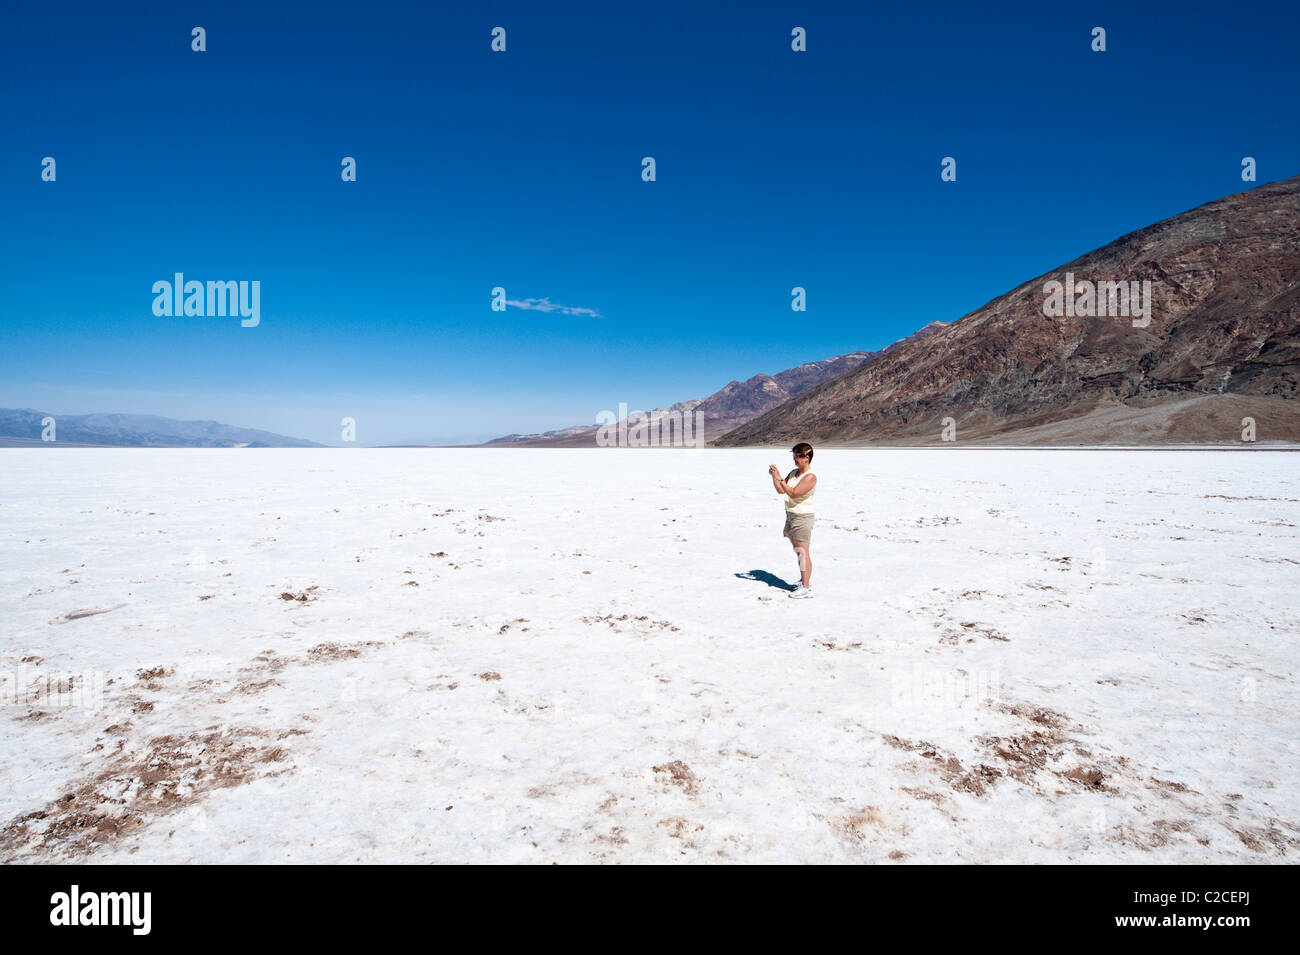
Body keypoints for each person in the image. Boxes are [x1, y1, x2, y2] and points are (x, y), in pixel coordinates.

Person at [768, 442, 817, 598]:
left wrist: (780, 478)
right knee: (798, 552)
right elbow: (781, 490)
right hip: (791, 515)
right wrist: (775, 477)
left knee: (803, 553)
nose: (795, 459)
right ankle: (803, 580)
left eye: (797, 456)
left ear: (806, 458)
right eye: (794, 455)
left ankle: (806, 587)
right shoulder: (794, 472)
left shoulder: (810, 477)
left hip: (802, 517)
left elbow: (794, 493)